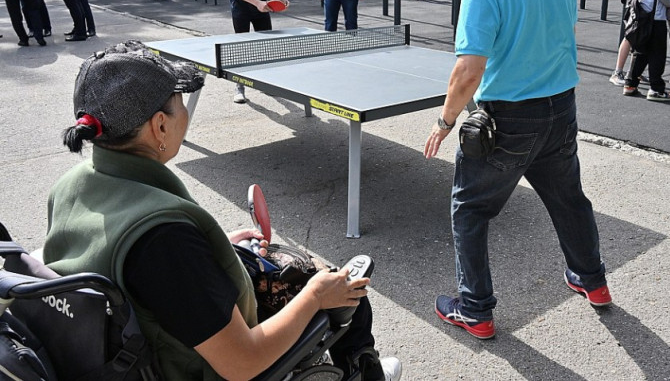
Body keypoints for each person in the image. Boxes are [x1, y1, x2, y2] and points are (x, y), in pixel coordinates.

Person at [42, 41, 402, 381]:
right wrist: (315, 297)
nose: (186, 110)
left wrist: (212, 251)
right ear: (159, 125)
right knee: (344, 289)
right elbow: (241, 363)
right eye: (179, 100)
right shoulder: (165, 238)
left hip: (127, 344)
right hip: (192, 366)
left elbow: (130, 263)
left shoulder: (71, 185)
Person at [423, 0, 611, 340]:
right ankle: (593, 281)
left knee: (469, 209)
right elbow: (561, 30)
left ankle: (476, 310)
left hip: (508, 119)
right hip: (561, 109)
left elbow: (468, 70)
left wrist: (444, 122)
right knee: (569, 200)